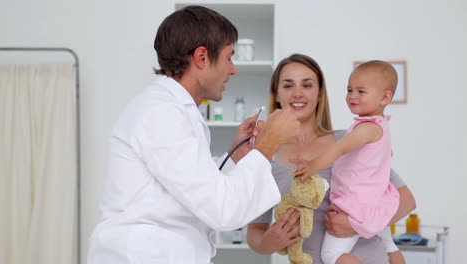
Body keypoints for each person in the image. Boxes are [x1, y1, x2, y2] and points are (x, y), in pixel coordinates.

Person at [87, 6, 300, 264]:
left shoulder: (174, 110)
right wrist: (268, 144)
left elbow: (195, 188)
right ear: (201, 57)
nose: (232, 70)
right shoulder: (161, 112)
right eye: (228, 57)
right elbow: (223, 211)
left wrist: (237, 155)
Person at [247, 54, 416, 264]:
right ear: (277, 93)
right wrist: (268, 242)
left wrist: (357, 224)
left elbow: (406, 201)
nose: (298, 93)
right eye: (288, 85)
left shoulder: (349, 141)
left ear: (319, 94)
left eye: (307, 85)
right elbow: (255, 229)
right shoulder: (266, 156)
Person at [291, 60, 405, 264]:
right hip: (377, 203)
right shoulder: (380, 127)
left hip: (355, 205)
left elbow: (340, 147)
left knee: (331, 255)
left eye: (361, 91)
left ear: (385, 97)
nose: (352, 96)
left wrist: (313, 165)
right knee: (389, 244)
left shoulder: (366, 128)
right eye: (349, 89)